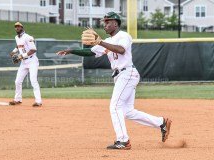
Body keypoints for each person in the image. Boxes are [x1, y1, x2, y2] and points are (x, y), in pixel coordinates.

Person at [57, 12, 172, 150]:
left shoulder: (123, 36)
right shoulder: (107, 41)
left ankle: (123, 140)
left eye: (108, 22)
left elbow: (121, 50)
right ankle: (161, 122)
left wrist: (100, 42)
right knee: (128, 111)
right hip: (121, 76)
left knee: (115, 106)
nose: (105, 24)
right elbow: (90, 52)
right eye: (104, 22)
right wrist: (71, 51)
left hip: (127, 73)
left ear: (116, 23)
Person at [9, 22, 42, 107]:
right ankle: (17, 100)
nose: (17, 28)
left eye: (18, 27)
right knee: (17, 81)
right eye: (15, 27)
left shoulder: (28, 37)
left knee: (33, 81)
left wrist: (21, 56)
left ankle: (38, 101)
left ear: (22, 28)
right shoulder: (16, 37)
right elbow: (19, 45)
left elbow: (33, 50)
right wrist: (13, 51)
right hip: (23, 62)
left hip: (32, 61)